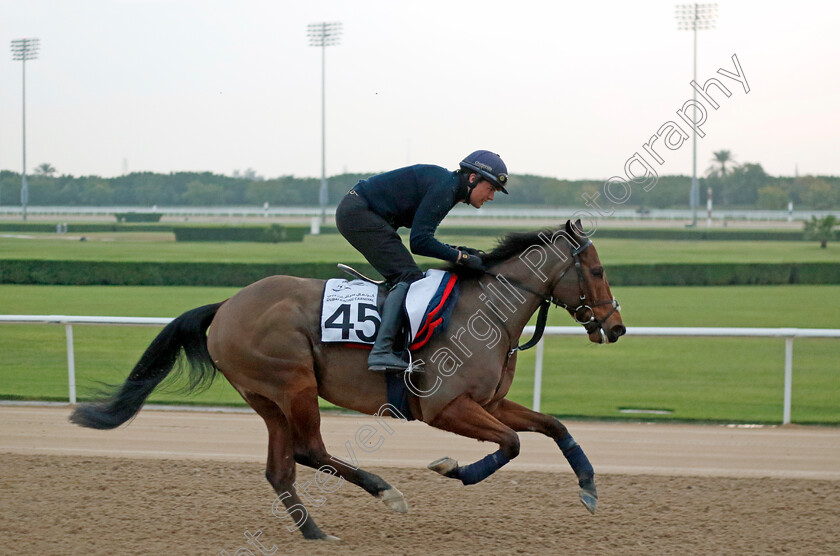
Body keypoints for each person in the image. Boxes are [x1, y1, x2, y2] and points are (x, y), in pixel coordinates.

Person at [335, 150, 509, 373]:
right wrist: (462, 258)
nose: (491, 197)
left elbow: (423, 237)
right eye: (491, 188)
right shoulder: (445, 188)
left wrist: (459, 251)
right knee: (409, 276)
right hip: (359, 213)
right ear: (473, 178)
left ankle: (391, 343)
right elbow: (419, 242)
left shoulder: (448, 186)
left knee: (405, 275)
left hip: (362, 211)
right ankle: (382, 351)